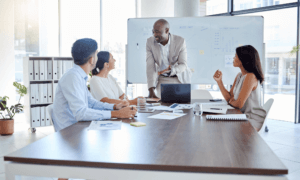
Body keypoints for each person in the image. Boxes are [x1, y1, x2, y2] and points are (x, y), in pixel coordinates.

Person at [52, 38, 137, 133]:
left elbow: (92, 103)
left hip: (79, 127)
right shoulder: (73, 77)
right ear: (92, 60)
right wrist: (117, 114)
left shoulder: (78, 76)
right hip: (70, 132)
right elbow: (81, 113)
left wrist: (115, 107)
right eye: (96, 54)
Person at [213, 45, 266, 131]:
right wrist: (219, 82)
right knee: (217, 122)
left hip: (251, 119)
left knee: (220, 125)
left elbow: (239, 104)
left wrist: (232, 101)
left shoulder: (250, 77)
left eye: (235, 56)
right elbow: (229, 98)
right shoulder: (239, 75)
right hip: (241, 115)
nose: (233, 58)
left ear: (243, 60)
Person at [146, 19, 192, 98]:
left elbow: (183, 64)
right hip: (162, 79)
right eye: (153, 32)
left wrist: (172, 70)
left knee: (181, 107)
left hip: (179, 78)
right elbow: (150, 66)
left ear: (166, 30)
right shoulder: (150, 42)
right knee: (161, 107)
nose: (155, 35)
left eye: (157, 32)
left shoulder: (180, 41)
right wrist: (151, 90)